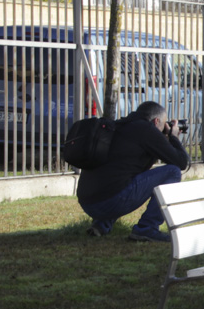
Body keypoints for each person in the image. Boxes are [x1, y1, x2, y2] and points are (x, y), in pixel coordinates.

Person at [77, 101, 190, 242]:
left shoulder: (122, 125)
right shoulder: (146, 130)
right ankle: (147, 229)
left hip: (88, 202)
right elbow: (181, 163)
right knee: (172, 172)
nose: (164, 129)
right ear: (156, 121)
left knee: (123, 174)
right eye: (163, 124)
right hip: (109, 203)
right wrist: (173, 137)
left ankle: (101, 224)